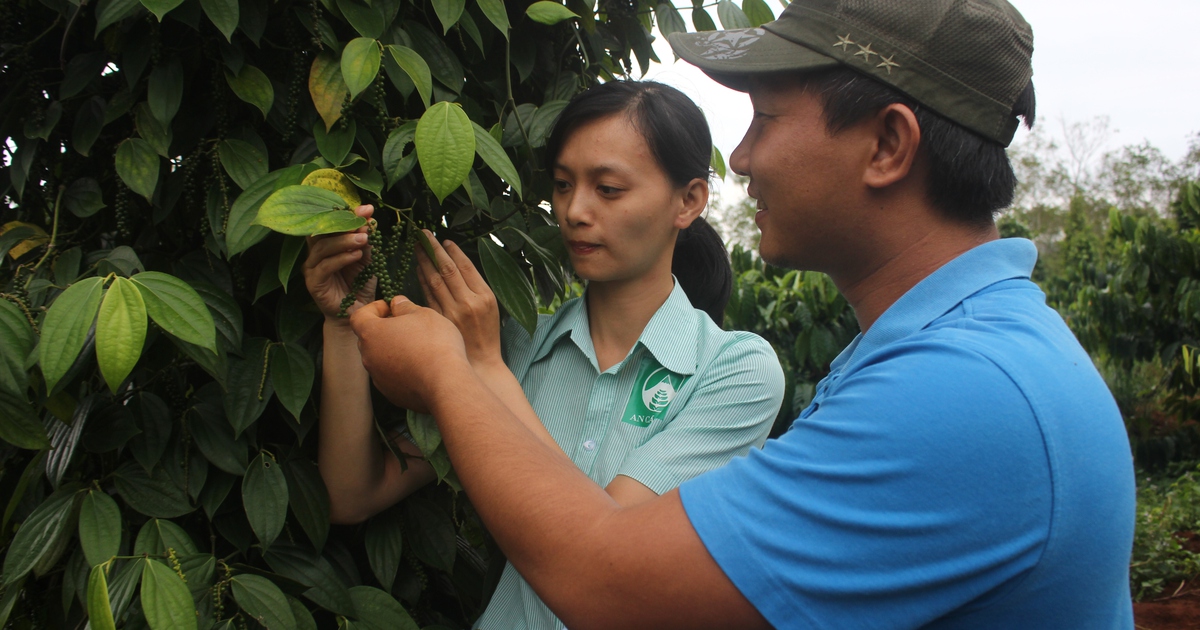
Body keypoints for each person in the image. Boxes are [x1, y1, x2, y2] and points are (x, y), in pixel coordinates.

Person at [348, 0, 1139, 628]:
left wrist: (453, 372)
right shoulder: (949, 356)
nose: (745, 156)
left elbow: (609, 583)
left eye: (766, 117)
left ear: (887, 146)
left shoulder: (963, 393)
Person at [303, 81, 786, 628]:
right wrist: (344, 321)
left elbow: (604, 558)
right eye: (562, 184)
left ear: (689, 201)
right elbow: (351, 493)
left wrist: (483, 368)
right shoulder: (517, 342)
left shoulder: (731, 371)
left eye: (608, 189)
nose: (574, 210)